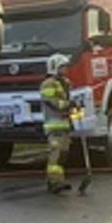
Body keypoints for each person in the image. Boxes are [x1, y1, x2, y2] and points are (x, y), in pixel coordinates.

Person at [39, 53, 75, 194]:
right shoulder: (48, 84)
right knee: (56, 154)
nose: (66, 69)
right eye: (63, 67)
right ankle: (53, 182)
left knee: (62, 155)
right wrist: (67, 104)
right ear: (54, 67)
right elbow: (51, 102)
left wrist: (74, 107)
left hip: (64, 125)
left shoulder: (63, 83)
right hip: (53, 125)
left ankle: (60, 180)